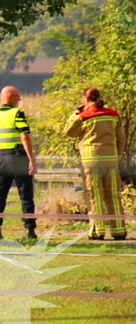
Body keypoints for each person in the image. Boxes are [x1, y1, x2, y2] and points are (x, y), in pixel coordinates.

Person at [64, 87, 128, 241]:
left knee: (94, 195)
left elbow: (69, 132)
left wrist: (76, 113)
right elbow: (121, 138)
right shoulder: (113, 114)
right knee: (113, 195)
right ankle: (119, 230)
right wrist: (117, 155)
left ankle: (97, 230)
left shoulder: (84, 116)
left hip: (91, 162)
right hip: (111, 161)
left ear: (85, 99)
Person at [0, 86, 37, 239]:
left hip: (0, 159)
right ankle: (29, 230)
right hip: (17, 158)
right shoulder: (17, 114)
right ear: (8, 97)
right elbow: (25, 137)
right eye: (16, 96)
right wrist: (31, 159)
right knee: (26, 195)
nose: (19, 99)